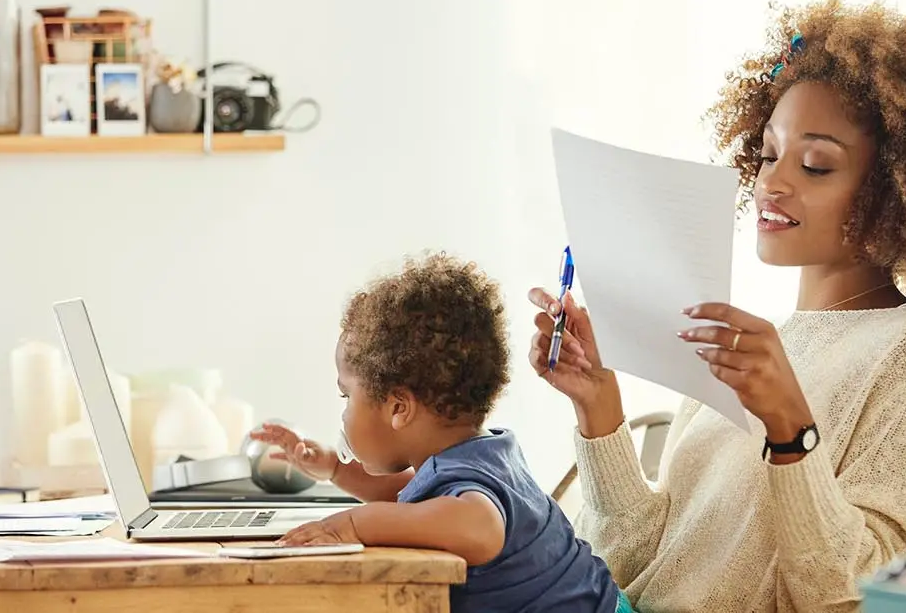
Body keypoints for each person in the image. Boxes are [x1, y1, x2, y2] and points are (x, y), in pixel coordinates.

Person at [528, 0, 906, 612]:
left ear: (896, 191)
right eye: (769, 154)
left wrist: (791, 430)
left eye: (817, 164)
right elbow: (640, 562)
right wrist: (599, 406)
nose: (772, 180)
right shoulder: (755, 346)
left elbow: (859, 596)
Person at [254, 251, 627, 613]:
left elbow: (479, 529)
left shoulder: (468, 487)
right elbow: (407, 497)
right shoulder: (482, 454)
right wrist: (336, 469)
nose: (345, 411)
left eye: (346, 395)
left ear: (399, 408)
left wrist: (351, 525)